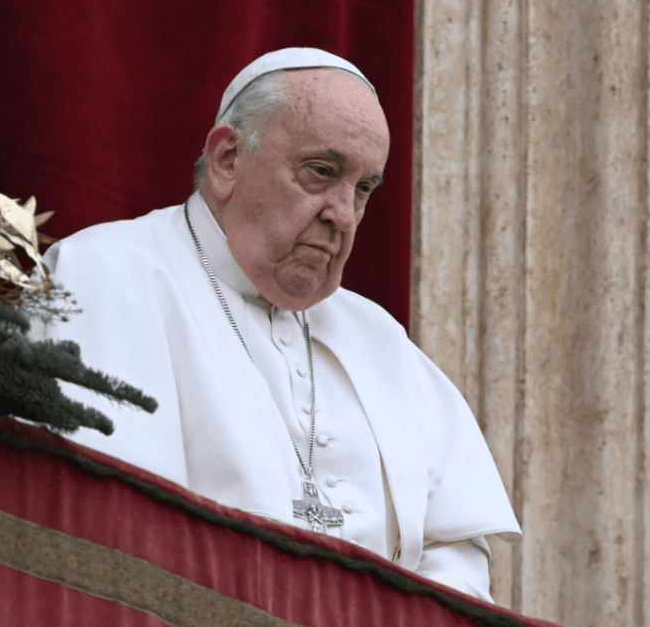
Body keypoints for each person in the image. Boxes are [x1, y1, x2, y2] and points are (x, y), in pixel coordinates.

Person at [39, 48, 519, 601]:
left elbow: (456, 559)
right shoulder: (106, 276)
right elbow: (114, 538)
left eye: (363, 189)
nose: (343, 212)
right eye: (321, 172)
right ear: (226, 159)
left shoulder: (382, 341)